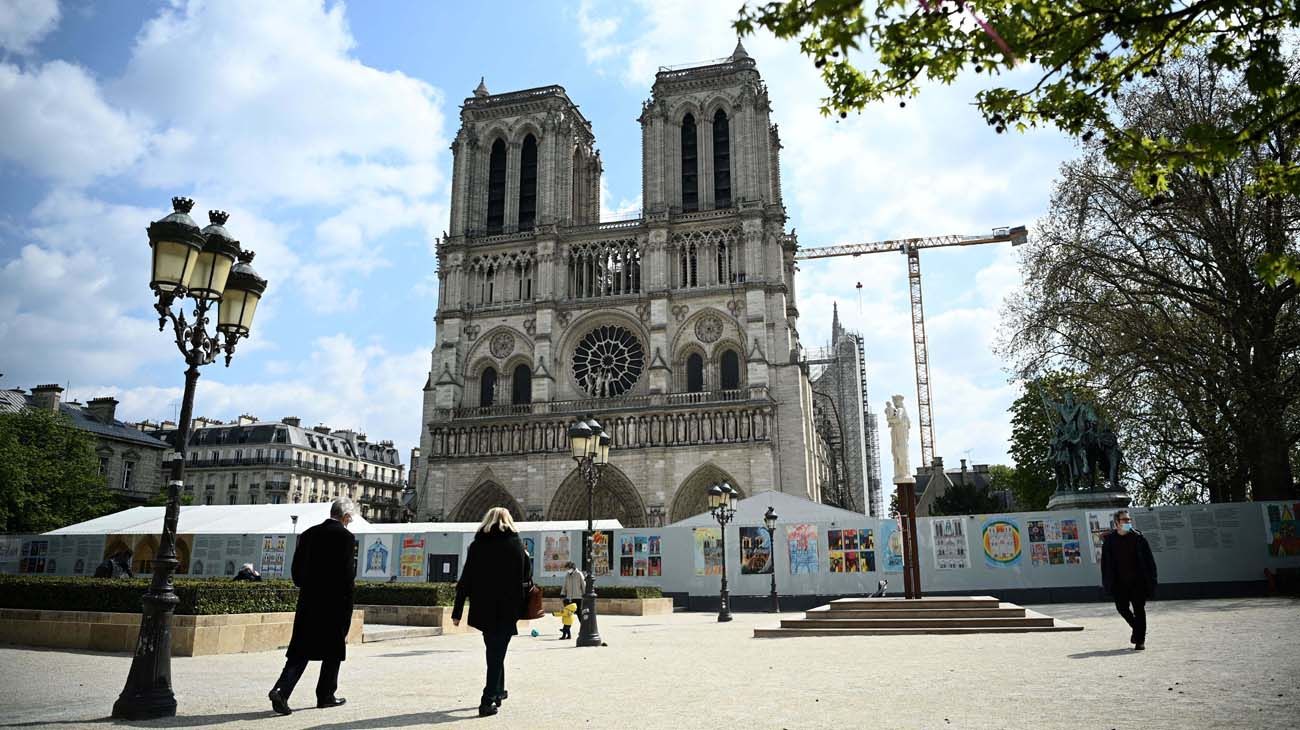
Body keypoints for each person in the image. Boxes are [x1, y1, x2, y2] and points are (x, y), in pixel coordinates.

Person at [268, 498, 357, 716]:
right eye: (350, 519)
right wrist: (348, 603)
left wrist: (308, 585)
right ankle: (326, 695)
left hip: (309, 601)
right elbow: (347, 575)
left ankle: (281, 689)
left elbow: (296, 572)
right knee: (334, 650)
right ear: (345, 517)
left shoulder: (308, 534)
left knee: (300, 650)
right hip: (335, 603)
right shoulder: (345, 537)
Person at [452, 507, 530, 717]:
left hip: (484, 607)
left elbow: (465, 579)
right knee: (496, 653)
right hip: (508, 608)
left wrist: (457, 611)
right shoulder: (516, 545)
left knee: (494, 650)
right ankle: (487, 700)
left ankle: (499, 691)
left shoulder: (477, 545)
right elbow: (526, 578)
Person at [1100, 509, 1158, 650]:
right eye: (1124, 520)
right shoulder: (1109, 541)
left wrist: (1152, 579)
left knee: (1139, 609)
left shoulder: (1138, 538)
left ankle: (1140, 641)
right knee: (1122, 608)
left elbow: (1149, 561)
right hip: (1119, 583)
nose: (1128, 522)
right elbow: (1105, 564)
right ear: (1116, 523)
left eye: (1129, 520)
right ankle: (1138, 630)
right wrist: (1107, 582)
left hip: (1138, 581)